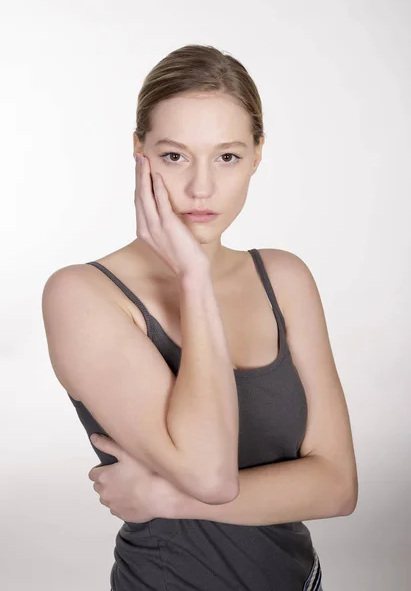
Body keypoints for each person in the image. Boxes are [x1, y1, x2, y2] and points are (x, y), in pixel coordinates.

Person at [42, 44, 357, 591]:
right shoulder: (83, 294)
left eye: (227, 157)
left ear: (259, 154)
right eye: (174, 156)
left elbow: (336, 486)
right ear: (138, 151)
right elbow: (211, 475)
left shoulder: (284, 278)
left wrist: (165, 495)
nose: (201, 188)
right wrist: (194, 277)